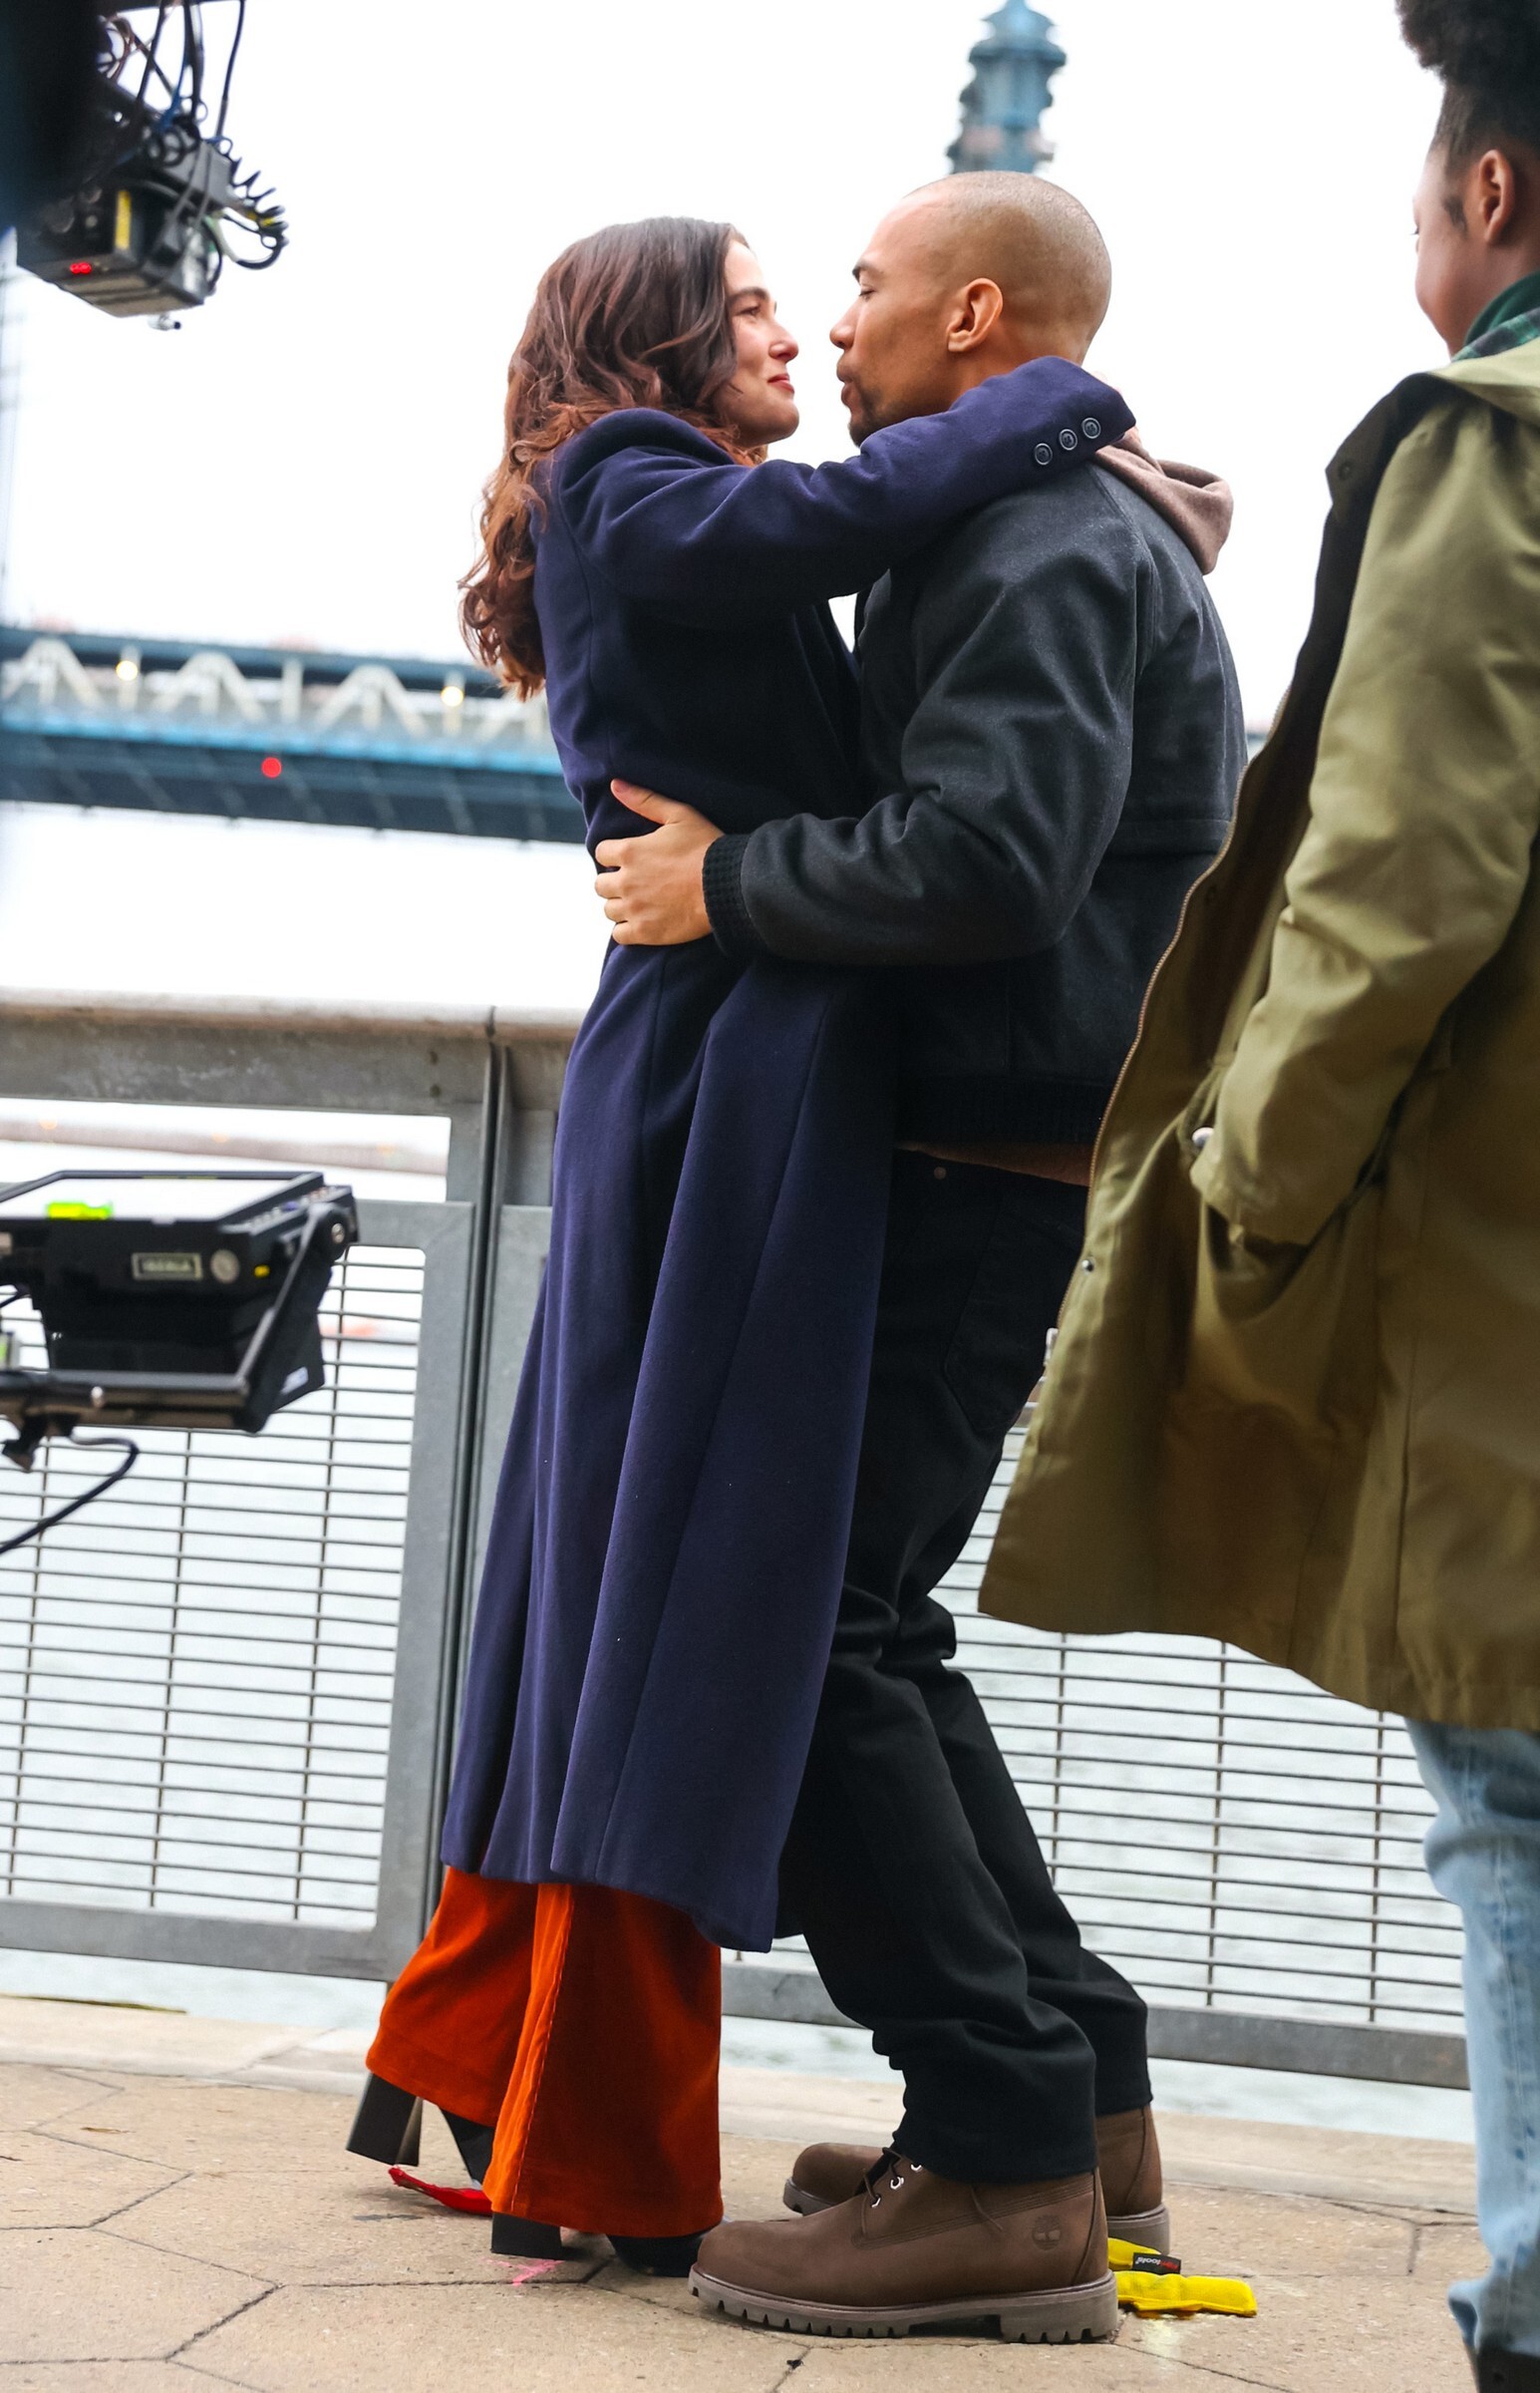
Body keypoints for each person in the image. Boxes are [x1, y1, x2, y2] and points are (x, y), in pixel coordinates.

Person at [345, 213, 1134, 2280]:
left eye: (823, 296)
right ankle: (644, 2098)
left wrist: (1087, 467)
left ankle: (999, 2108)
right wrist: (1063, 406)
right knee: (715, 1580)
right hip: (725, 1067)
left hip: (758, 1048)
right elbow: (847, 522)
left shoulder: (694, 503)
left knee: (723, 1588)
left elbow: (872, 585)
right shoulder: (625, 471)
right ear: (662, 336)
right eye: (763, 301)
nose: (802, 329)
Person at [597, 171, 1243, 2341]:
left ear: (972, 315)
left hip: (981, 1163)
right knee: (869, 1630)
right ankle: (1078, 2107)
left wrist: (729, 882)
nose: (841, 324)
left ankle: (994, 2158)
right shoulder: (1052, 525)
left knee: (798, 1648)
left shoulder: (1037, 538)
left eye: (866, 288)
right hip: (1005, 1152)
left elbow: (990, 857)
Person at [974, 8, 1540, 2387]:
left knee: (1511, 1789)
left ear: (1485, 195)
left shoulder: (1486, 442)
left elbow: (1395, 878)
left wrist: (1246, 1178)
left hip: (1501, 1270)